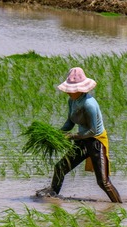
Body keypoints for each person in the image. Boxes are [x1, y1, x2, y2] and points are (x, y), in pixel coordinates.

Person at [36, 67, 122, 203]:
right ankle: (52, 199)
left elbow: (93, 131)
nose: (68, 93)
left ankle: (118, 206)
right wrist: (56, 134)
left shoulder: (89, 105)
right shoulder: (72, 101)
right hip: (82, 140)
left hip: (96, 142)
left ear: (80, 90)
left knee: (103, 182)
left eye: (71, 90)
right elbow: (69, 122)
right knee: (60, 168)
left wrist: (72, 137)